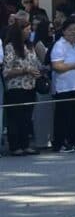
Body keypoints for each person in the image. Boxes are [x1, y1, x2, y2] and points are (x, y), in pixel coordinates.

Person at [50, 20, 75, 153]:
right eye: (70, 29)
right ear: (64, 31)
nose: (73, 32)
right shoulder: (59, 45)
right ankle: (60, 142)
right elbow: (57, 66)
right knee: (63, 115)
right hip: (63, 86)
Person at [3, 21, 41, 155]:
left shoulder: (30, 47)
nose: (29, 32)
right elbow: (7, 71)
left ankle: (25, 144)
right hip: (16, 87)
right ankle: (15, 146)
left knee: (26, 118)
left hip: (30, 86)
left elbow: (35, 63)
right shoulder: (10, 47)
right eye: (27, 29)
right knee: (15, 118)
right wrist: (25, 70)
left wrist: (36, 72)